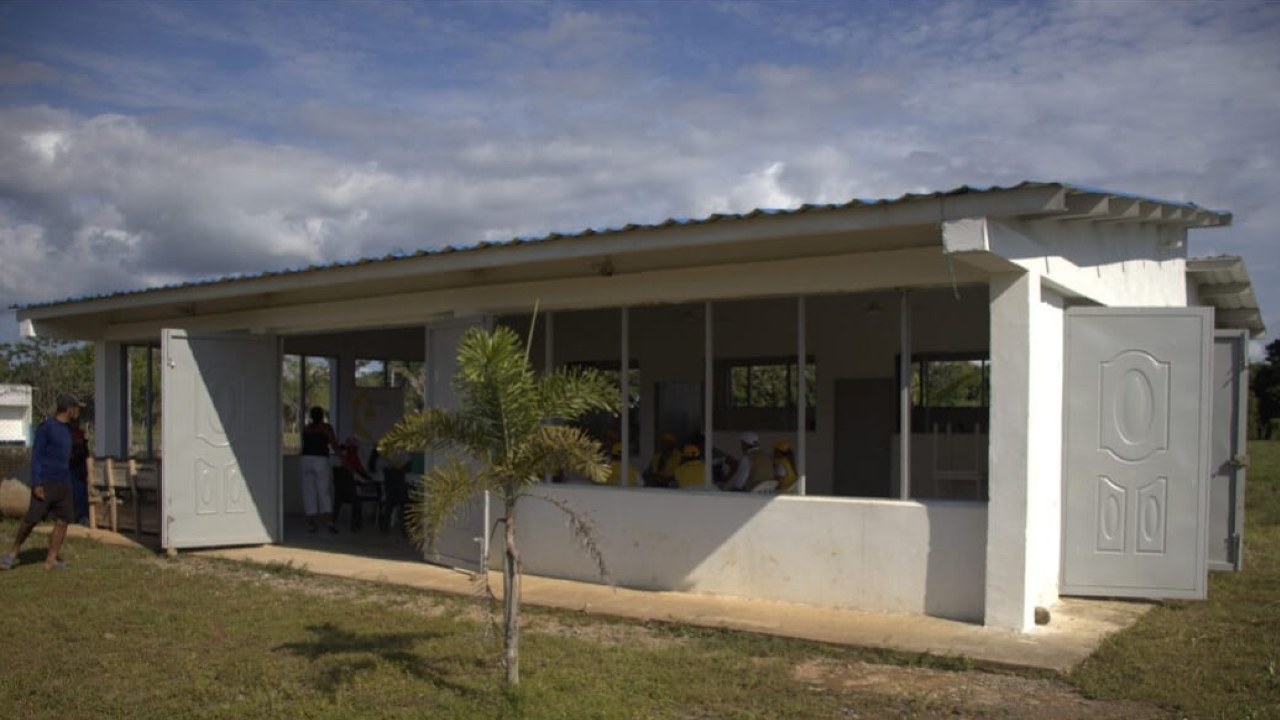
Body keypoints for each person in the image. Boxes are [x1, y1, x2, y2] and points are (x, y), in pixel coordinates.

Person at [1, 394, 83, 570]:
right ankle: (12, 553)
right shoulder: (47, 428)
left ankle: (51, 559)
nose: (78, 412)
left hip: (64, 481)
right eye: (76, 408)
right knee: (31, 520)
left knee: (63, 520)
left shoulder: (69, 429)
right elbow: (37, 456)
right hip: (46, 481)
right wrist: (37, 483)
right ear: (69, 409)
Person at [300, 406, 340, 533]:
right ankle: (329, 522)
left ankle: (311, 523)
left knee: (309, 491)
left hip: (305, 460)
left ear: (311, 416)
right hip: (320, 460)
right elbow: (333, 444)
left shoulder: (306, 429)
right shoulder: (326, 428)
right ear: (322, 416)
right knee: (324, 491)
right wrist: (342, 456)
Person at [68, 415, 90, 525]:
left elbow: (84, 451)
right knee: (78, 492)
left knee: (80, 491)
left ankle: (83, 515)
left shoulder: (78, 434)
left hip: (78, 466)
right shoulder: (68, 434)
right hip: (73, 467)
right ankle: (80, 515)